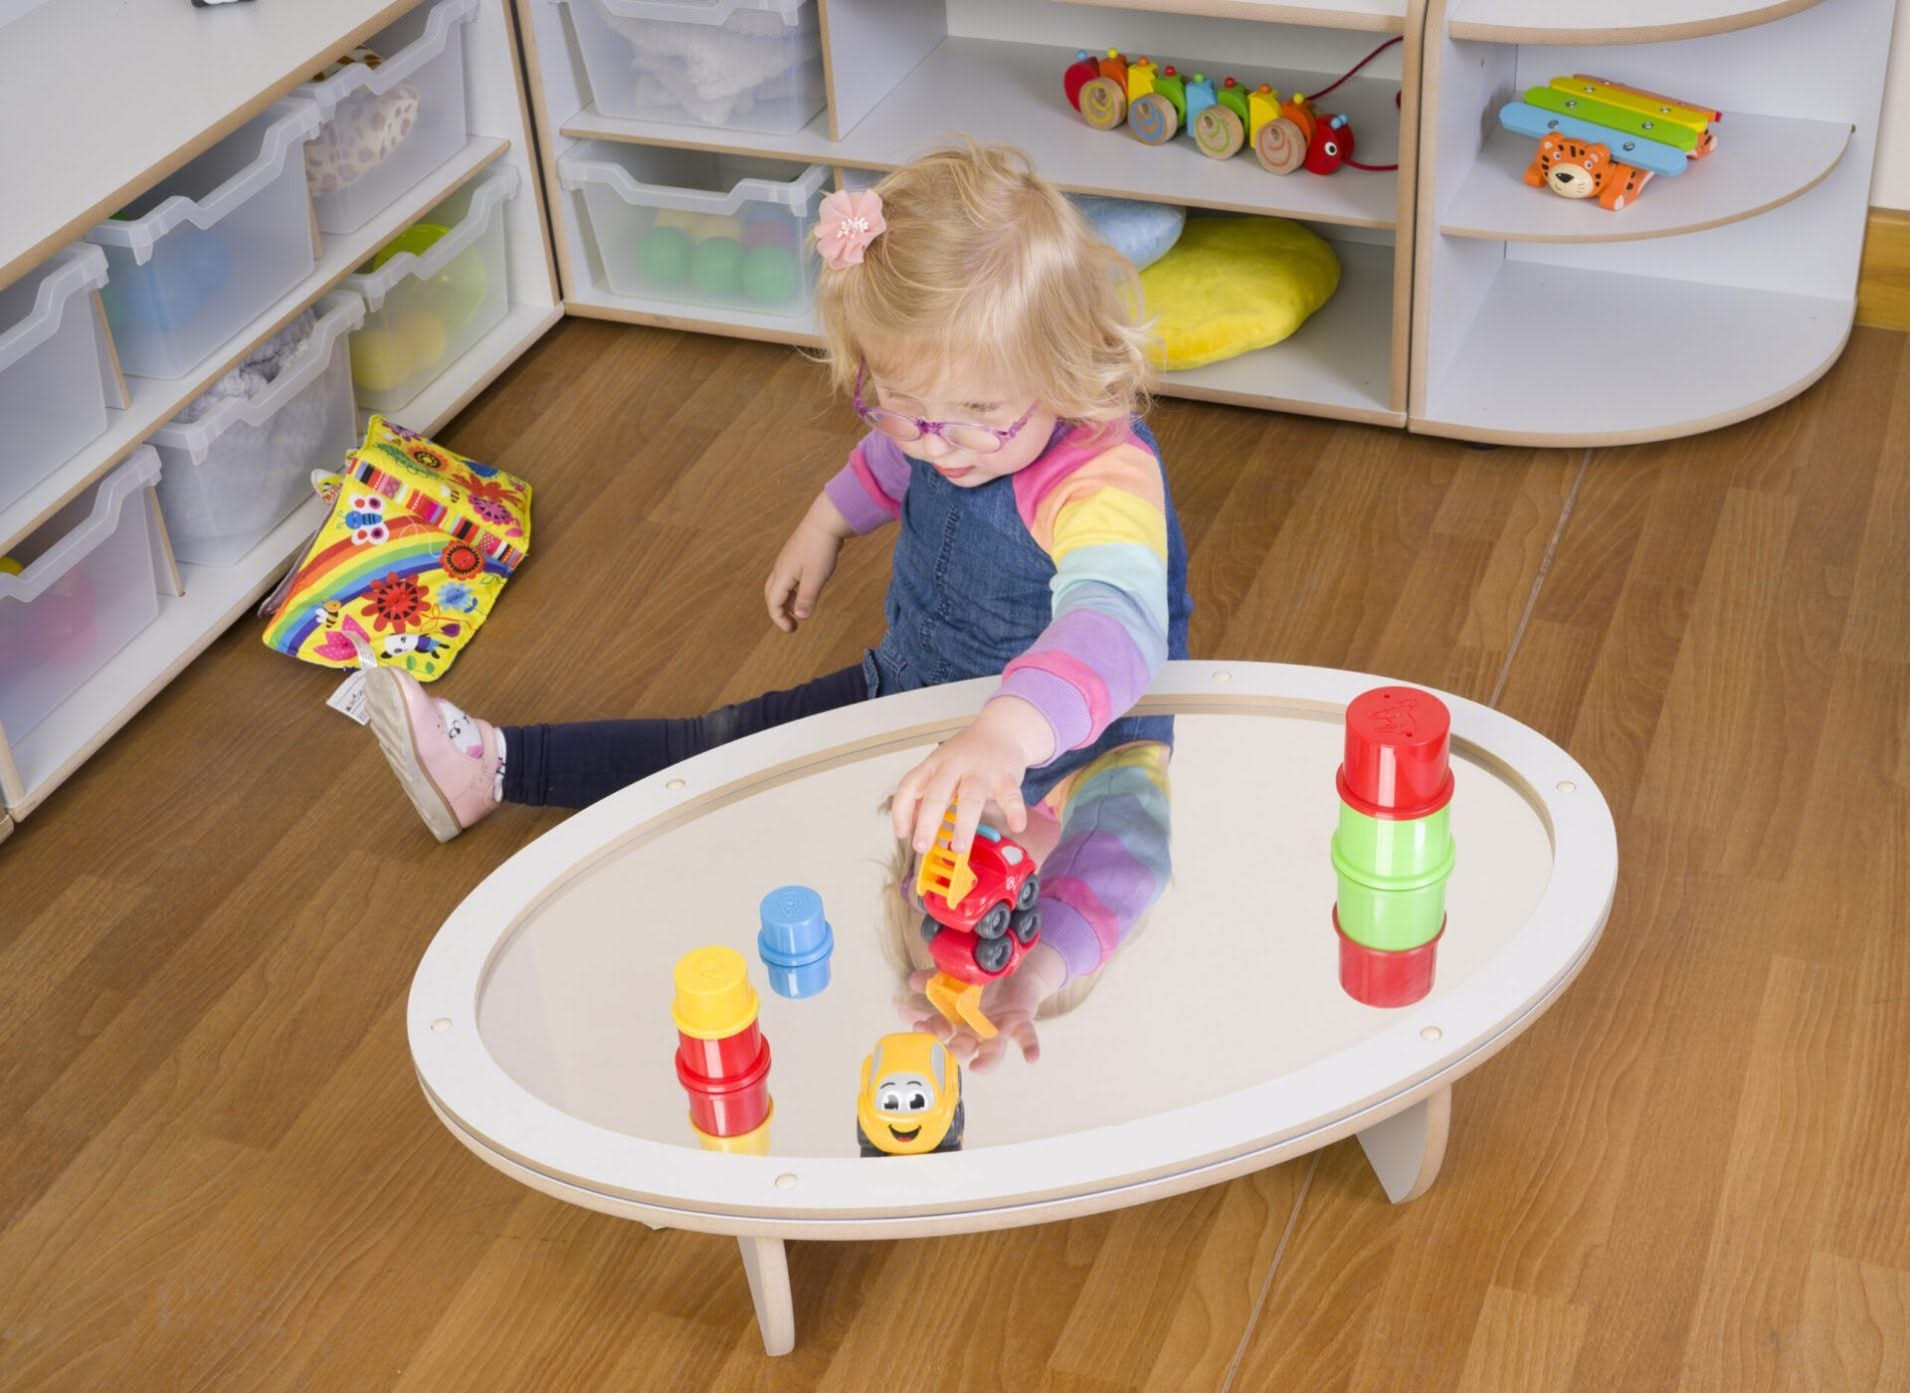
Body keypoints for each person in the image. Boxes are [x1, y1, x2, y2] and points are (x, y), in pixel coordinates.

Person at [367, 143, 1192, 1033]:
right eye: (904, 408)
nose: (940, 446)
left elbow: (1117, 622)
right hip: (912, 689)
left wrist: (1005, 734)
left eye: (979, 418)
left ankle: (1026, 970)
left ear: (1065, 363)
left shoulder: (1101, 475)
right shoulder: (941, 420)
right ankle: (497, 764)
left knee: (1114, 855)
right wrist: (828, 520)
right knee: (720, 741)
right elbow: (894, 457)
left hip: (1081, 753)